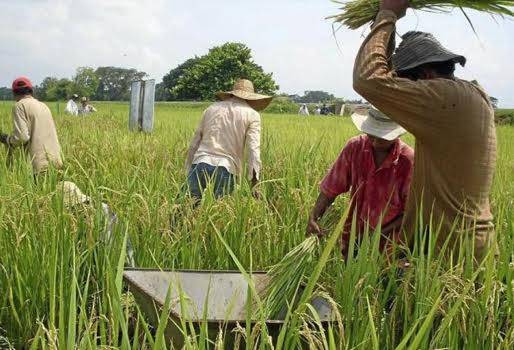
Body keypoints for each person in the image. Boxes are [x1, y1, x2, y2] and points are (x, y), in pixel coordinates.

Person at [353, 0, 497, 260]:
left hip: (448, 249)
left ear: (427, 75)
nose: (404, 92)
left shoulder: (440, 98)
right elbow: (386, 82)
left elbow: (368, 79)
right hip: (462, 242)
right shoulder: (469, 96)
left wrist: (388, 14)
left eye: (408, 84)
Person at [307, 108, 414, 259]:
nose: (375, 142)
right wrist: (314, 216)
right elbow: (331, 187)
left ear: (397, 134)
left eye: (382, 137)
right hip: (353, 237)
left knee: (383, 280)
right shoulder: (354, 147)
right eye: (372, 135)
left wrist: (376, 235)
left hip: (389, 245)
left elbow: (411, 212)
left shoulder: (408, 160)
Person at [185, 78, 272, 201]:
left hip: (200, 162)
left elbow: (195, 141)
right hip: (226, 167)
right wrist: (255, 182)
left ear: (232, 93)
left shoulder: (211, 109)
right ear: (251, 97)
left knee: (185, 207)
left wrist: (189, 168)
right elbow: (254, 150)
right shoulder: (252, 115)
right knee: (220, 214)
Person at [0, 77, 63, 176]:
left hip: (39, 166)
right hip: (56, 161)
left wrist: (7, 140)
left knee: (39, 191)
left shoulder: (19, 106)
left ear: (14, 93)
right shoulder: (43, 105)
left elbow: (22, 137)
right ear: (31, 91)